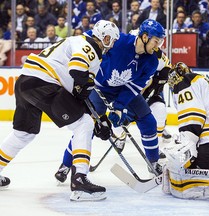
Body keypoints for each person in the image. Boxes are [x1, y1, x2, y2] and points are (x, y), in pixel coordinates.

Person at [0, 20, 120, 202]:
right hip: (45, 83)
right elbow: (78, 71)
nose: (110, 44)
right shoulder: (89, 46)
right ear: (101, 36)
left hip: (26, 81)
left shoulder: (77, 42)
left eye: (112, 41)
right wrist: (94, 118)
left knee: (23, 133)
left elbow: (79, 92)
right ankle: (80, 179)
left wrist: (99, 117)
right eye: (108, 39)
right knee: (84, 124)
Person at [54, 19, 166, 183]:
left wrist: (119, 107)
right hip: (100, 88)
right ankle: (66, 165)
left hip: (125, 90)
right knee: (87, 126)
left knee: (148, 121)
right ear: (144, 36)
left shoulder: (152, 61)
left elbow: (134, 87)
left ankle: (153, 162)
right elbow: (92, 38)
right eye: (156, 41)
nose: (158, 46)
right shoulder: (119, 41)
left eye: (160, 42)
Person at [161, 62, 209, 203]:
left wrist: (188, 142)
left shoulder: (185, 82)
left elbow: (193, 115)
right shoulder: (201, 80)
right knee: (199, 165)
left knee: (186, 176)